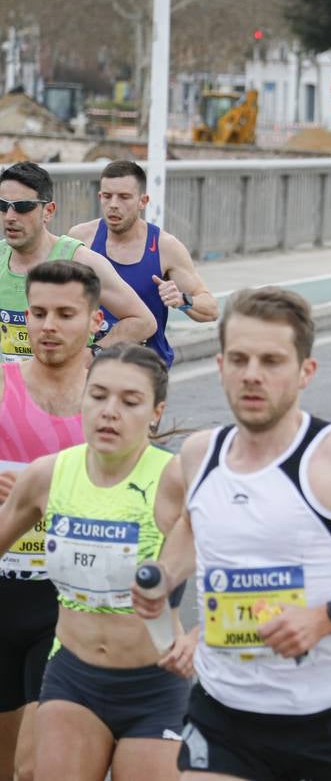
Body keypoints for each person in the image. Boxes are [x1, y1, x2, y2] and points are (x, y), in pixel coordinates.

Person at [135, 286, 331, 781]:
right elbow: (194, 532)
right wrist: (160, 583)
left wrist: (329, 616)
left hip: (327, 717)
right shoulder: (197, 458)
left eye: (271, 360)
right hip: (222, 713)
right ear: (219, 366)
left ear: (306, 372)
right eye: (238, 359)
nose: (252, 374)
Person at [0, 344, 188, 780]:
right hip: (73, 676)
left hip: (153, 683)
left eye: (130, 401)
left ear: (156, 412)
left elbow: (235, 558)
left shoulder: (175, 478)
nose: (109, 411)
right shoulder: (48, 475)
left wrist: (206, 638)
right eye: (98, 395)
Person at [0, 260, 99, 781]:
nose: (48, 326)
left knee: (35, 767)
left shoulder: (108, 398)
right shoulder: (2, 383)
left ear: (94, 319)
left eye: (65, 314)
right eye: (37, 313)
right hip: (2, 589)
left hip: (67, 601)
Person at [67, 160, 218, 368]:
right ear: (100, 197)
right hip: (93, 363)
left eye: (124, 197)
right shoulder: (81, 238)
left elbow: (211, 309)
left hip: (145, 368)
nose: (114, 205)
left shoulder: (166, 247)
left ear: (143, 201)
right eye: (107, 196)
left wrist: (182, 299)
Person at [2, 162, 154, 361]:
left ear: (48, 210)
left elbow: (143, 322)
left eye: (22, 207)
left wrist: (94, 353)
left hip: (65, 388)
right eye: (2, 206)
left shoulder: (80, 261)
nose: (10, 217)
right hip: (11, 387)